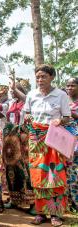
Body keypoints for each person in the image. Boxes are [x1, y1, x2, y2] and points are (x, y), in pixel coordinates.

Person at [23, 64, 70, 226]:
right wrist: (28, 116)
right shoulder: (31, 94)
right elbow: (26, 112)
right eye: (37, 77)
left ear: (52, 77)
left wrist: (59, 120)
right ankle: (41, 212)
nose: (40, 80)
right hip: (35, 137)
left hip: (54, 137)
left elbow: (67, 117)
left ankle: (55, 214)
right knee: (38, 175)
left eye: (43, 76)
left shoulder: (61, 95)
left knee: (53, 174)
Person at [0, 77, 35, 214]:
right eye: (11, 90)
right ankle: (14, 200)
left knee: (25, 169)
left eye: (15, 90)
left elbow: (26, 102)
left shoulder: (28, 101)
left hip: (23, 139)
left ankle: (32, 203)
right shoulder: (10, 103)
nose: (12, 92)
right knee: (11, 170)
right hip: (9, 141)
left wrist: (15, 88)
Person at [65, 77, 78, 213]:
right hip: (65, 143)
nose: (69, 88)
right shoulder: (63, 101)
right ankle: (70, 202)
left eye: (73, 85)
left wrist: (68, 113)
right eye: (67, 86)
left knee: (75, 174)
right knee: (68, 173)